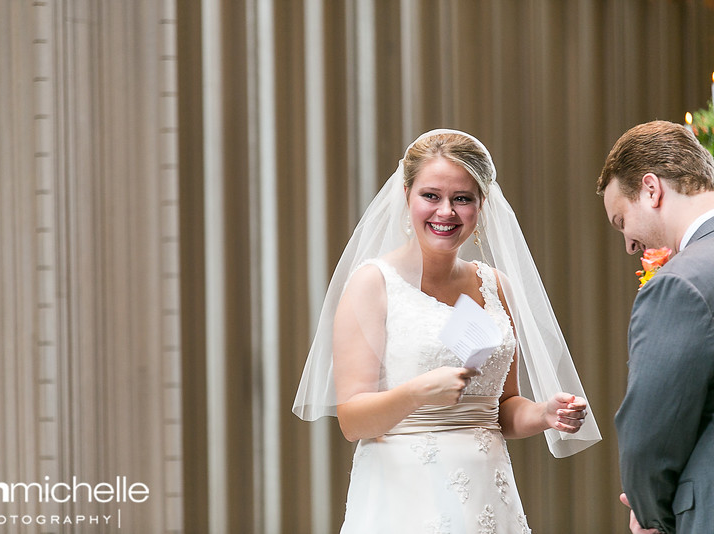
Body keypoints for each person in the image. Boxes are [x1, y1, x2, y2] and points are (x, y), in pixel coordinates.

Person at [294, 129, 601, 533]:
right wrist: (420, 391)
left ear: (480, 206)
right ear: (406, 196)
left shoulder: (496, 286)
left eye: (462, 199)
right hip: (407, 495)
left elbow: (501, 408)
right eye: (431, 196)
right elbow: (352, 422)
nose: (446, 212)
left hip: (488, 493)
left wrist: (543, 413)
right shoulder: (373, 284)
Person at [597, 120, 714, 534]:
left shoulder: (681, 283)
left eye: (620, 220)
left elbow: (649, 435)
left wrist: (653, 517)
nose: (629, 243)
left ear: (651, 189)